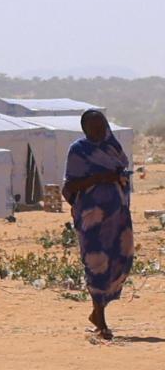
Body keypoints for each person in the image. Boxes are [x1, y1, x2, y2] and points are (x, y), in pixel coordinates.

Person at [61, 109, 134, 340]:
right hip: (91, 219)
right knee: (96, 262)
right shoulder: (78, 151)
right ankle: (101, 320)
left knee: (120, 260)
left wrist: (119, 179)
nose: (98, 130)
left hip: (118, 218)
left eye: (101, 124)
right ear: (85, 128)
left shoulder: (114, 148)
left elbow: (124, 174)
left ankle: (97, 311)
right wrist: (100, 178)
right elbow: (69, 187)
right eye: (93, 126)